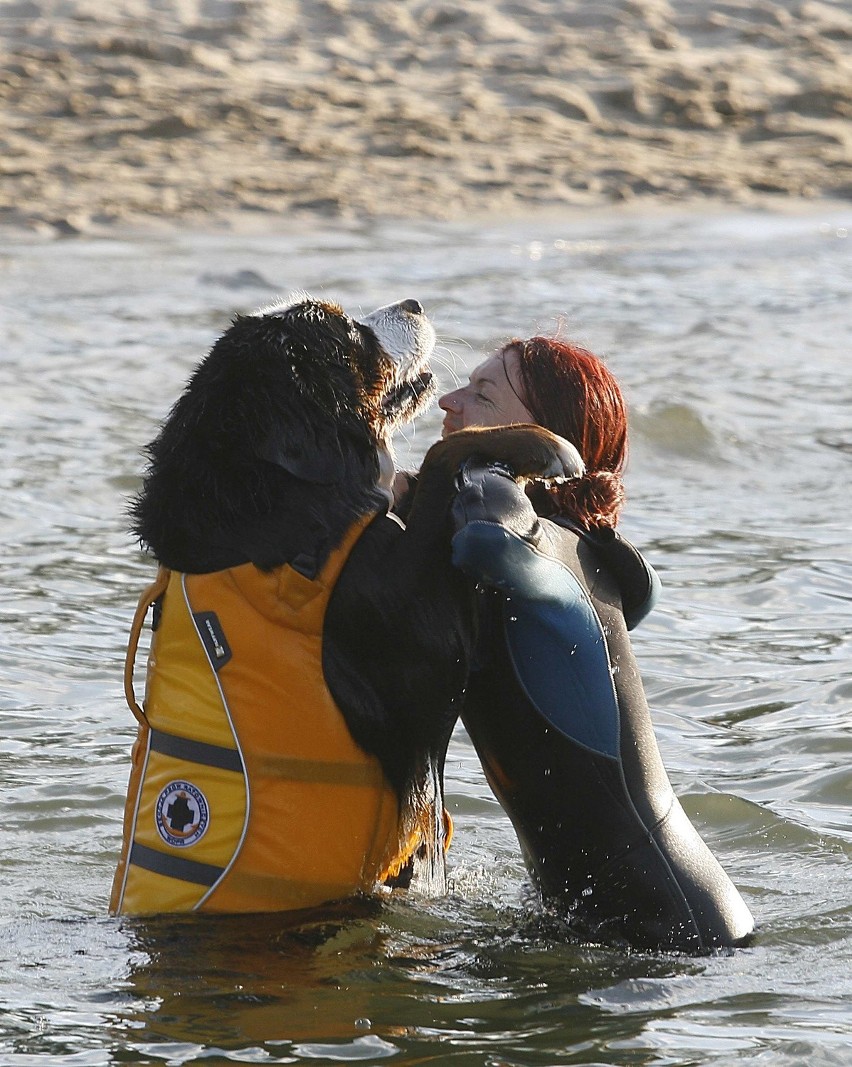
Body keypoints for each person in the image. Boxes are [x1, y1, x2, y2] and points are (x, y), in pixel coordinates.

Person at [431, 336, 755, 953]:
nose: (448, 403)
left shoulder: (546, 548)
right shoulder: (563, 549)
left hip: (671, 933)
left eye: (481, 395)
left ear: (539, 438)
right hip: (634, 923)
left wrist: (480, 461)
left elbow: (485, 541)